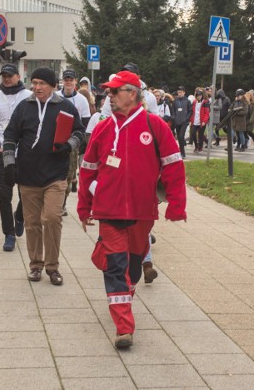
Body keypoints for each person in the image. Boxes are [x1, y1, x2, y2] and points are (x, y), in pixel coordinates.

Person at [77, 70, 186, 349]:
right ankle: (124, 327)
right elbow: (88, 170)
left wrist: (177, 205)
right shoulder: (102, 128)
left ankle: (126, 293)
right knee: (115, 267)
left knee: (133, 269)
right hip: (109, 211)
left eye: (115, 91)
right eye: (108, 92)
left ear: (132, 94)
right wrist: (83, 205)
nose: (109, 96)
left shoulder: (155, 125)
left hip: (141, 212)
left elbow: (173, 165)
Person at [2, 67, 85, 285]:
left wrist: (69, 145)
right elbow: (10, 135)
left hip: (55, 174)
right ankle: (36, 265)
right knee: (31, 223)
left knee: (51, 217)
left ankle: (53, 266)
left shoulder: (65, 107)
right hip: (28, 174)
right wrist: (9, 162)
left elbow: (79, 133)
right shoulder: (24, 107)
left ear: (53, 86)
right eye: (35, 83)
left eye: (42, 84)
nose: (37, 87)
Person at [0, 63, 31, 251]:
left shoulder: (28, 97)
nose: (7, 78)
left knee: (25, 193)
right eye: (4, 75)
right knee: (5, 195)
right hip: (3, 154)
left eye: (10, 75)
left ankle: (20, 216)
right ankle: (8, 234)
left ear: (18, 77)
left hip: (25, 154)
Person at [58, 69, 91, 204]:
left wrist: (78, 142)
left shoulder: (82, 100)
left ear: (75, 81)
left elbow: (85, 122)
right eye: (66, 80)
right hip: (55, 139)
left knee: (69, 173)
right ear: (63, 81)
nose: (68, 82)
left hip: (72, 143)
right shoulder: (55, 96)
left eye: (71, 80)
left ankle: (63, 202)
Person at [172, 86, 192, 158]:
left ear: (184, 93)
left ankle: (183, 153)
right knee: (179, 137)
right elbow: (173, 110)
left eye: (181, 92)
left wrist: (187, 118)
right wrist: (174, 117)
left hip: (184, 122)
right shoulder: (175, 101)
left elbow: (190, 111)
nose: (179, 94)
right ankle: (180, 151)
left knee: (181, 136)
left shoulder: (187, 101)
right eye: (178, 92)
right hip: (177, 121)